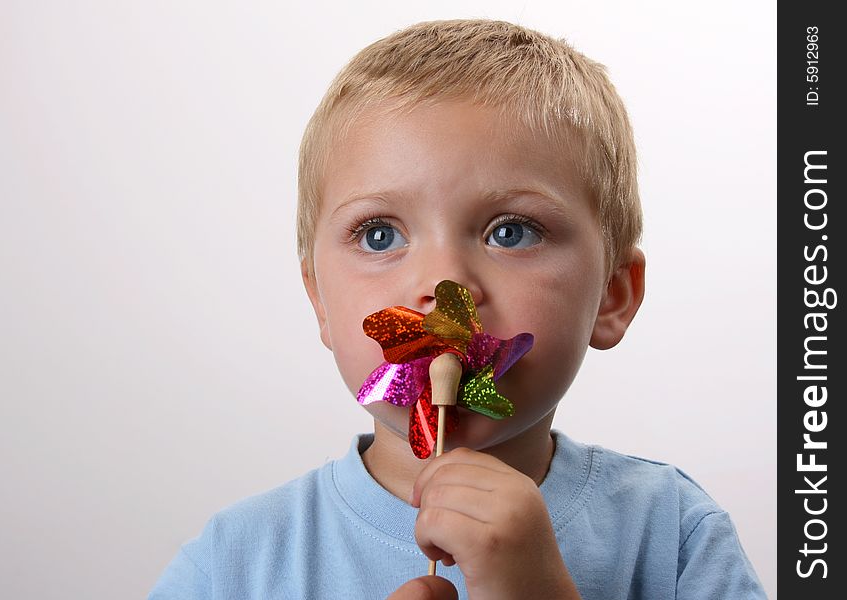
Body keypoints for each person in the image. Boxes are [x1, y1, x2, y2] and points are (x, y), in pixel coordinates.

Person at [149, 19, 766, 599]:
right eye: (380, 235)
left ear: (613, 294)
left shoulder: (676, 535)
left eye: (512, 231)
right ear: (320, 302)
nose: (446, 288)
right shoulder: (232, 564)